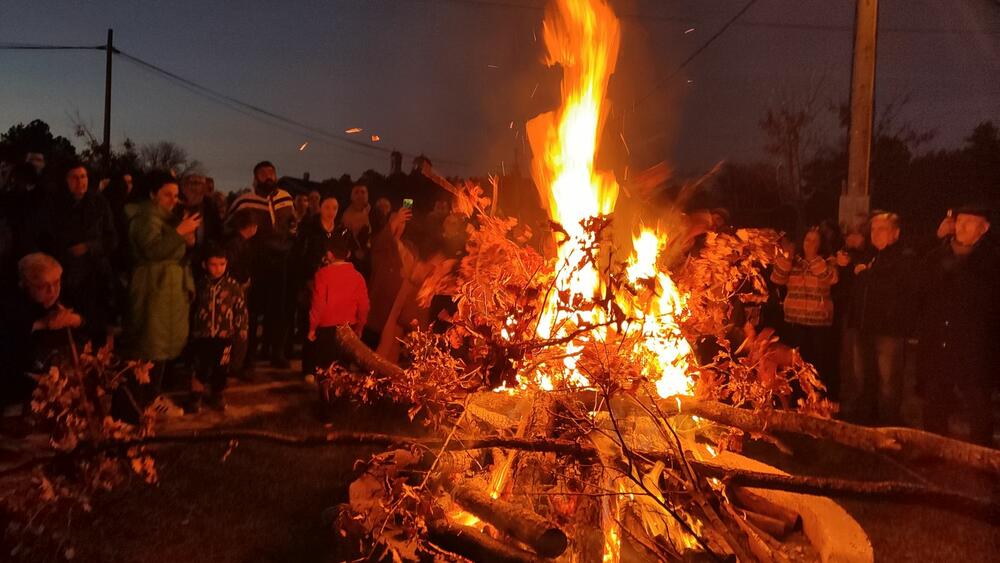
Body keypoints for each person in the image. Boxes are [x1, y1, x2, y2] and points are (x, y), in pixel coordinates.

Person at [917, 206, 998, 445]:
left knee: (978, 405)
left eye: (969, 222)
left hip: (975, 348)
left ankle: (980, 457)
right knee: (935, 403)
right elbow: (919, 289)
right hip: (938, 342)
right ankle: (932, 449)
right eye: (959, 221)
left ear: (984, 228)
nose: (961, 227)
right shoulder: (937, 255)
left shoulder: (992, 261)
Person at [124, 172, 199, 416]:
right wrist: (179, 233)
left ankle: (152, 397)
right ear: (152, 194)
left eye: (176, 195)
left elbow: (177, 251)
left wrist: (186, 239)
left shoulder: (168, 219)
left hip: (168, 290)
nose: (173, 200)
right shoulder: (145, 218)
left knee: (162, 346)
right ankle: (139, 402)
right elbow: (152, 250)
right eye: (167, 194)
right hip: (152, 288)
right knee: (148, 346)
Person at [843, 212, 914, 425]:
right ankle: (866, 420)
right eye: (873, 230)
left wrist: (866, 274)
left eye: (882, 229)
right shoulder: (868, 256)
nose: (876, 234)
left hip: (888, 330)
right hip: (863, 327)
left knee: (888, 382)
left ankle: (889, 424)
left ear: (896, 233)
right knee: (864, 377)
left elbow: (893, 288)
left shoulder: (903, 258)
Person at [36, 163, 118, 341]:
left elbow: (111, 239)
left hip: (96, 277)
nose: (80, 182)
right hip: (65, 276)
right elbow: (45, 238)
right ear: (65, 180)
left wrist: (89, 247)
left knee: (93, 328)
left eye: (83, 177)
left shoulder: (99, 203)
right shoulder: (54, 206)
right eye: (74, 177)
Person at [227, 161, 295, 368]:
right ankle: (247, 357)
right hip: (256, 260)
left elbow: (291, 223)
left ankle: (276, 352)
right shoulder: (245, 201)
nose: (268, 176)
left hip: (280, 260)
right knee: (253, 311)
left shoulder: (285, 197)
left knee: (278, 310)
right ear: (255, 178)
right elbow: (230, 226)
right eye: (263, 173)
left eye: (271, 172)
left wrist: (291, 232)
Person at [0, 253, 83, 408]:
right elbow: (11, 333)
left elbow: (91, 320)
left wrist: (74, 320)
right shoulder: (11, 306)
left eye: (57, 282)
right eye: (42, 286)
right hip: (18, 392)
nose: (52, 290)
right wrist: (42, 324)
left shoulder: (63, 297)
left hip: (59, 388)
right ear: (25, 285)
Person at [770, 227, 840, 386]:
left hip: (818, 323)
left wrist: (813, 258)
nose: (810, 243)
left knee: (817, 364)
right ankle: (796, 398)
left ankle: (817, 399)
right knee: (795, 362)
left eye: (815, 240)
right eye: (808, 239)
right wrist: (788, 258)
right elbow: (777, 278)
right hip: (795, 321)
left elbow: (830, 277)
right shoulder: (794, 261)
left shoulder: (828, 261)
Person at [187, 244, 248, 413]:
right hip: (203, 335)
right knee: (200, 366)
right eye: (213, 264)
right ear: (205, 265)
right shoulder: (199, 285)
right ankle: (195, 395)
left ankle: (218, 394)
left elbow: (240, 309)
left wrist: (241, 328)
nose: (218, 269)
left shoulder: (233, 286)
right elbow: (192, 308)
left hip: (225, 335)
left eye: (222, 264)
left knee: (221, 367)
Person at [308, 234, 369, 373]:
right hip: (349, 328)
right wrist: (360, 327)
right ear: (348, 253)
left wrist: (312, 327)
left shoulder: (322, 275)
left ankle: (325, 394)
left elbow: (318, 304)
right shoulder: (358, 277)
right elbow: (364, 306)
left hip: (326, 330)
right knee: (343, 370)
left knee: (325, 369)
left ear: (329, 254)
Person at [364, 207, 412, 349]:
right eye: (396, 222)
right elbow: (380, 242)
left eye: (403, 223)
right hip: (380, 309)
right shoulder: (381, 245)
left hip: (399, 312)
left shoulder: (408, 247)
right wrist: (396, 220)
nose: (399, 225)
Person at [223, 211, 258, 379]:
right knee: (240, 326)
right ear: (251, 227)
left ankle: (235, 363)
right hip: (237, 291)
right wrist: (243, 280)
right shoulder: (237, 244)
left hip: (239, 288)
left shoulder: (239, 242)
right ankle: (234, 365)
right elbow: (234, 266)